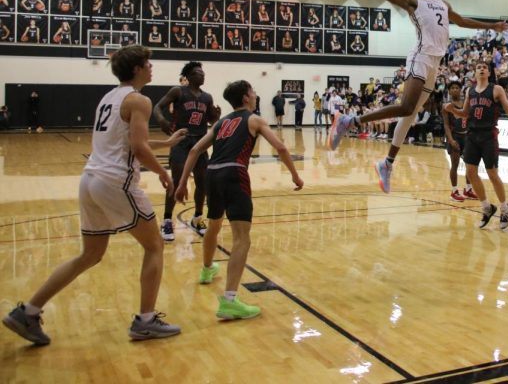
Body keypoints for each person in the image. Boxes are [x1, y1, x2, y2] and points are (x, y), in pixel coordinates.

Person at [3, 46, 186, 345]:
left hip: (90, 180)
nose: (152, 67)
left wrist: (166, 143)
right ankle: (145, 320)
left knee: (90, 254)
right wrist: (164, 173)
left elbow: (129, 141)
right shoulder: (139, 99)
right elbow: (138, 149)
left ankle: (28, 311)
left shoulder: (109, 98)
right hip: (116, 182)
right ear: (138, 68)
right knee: (154, 246)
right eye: (148, 63)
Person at [328, 0, 506, 193]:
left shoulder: (444, 4)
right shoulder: (414, 2)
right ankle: (350, 121)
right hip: (421, 57)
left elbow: (461, 21)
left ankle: (387, 164)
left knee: (409, 116)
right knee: (406, 107)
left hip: (435, 63)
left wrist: (491, 26)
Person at [174, 80, 303, 321]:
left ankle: (206, 270)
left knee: (214, 223)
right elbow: (281, 148)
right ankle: (230, 301)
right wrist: (295, 175)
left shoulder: (222, 122)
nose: (255, 95)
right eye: (253, 91)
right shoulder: (254, 119)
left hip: (212, 174)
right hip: (234, 173)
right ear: (246, 97)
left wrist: (181, 183)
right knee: (242, 239)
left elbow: (194, 151)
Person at [444, 61, 508, 229]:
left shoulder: (496, 89)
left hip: (488, 135)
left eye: (485, 67)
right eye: (479, 67)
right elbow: (464, 114)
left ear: (489, 73)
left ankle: (505, 208)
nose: (482, 69)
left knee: (492, 174)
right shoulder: (469, 91)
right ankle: (486, 207)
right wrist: (452, 110)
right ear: (474, 73)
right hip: (472, 135)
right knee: (470, 172)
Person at [153, 62, 221, 241]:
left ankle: (197, 217)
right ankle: (167, 220)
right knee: (176, 181)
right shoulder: (178, 91)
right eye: (199, 73)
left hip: (200, 142)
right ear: (189, 76)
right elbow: (157, 107)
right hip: (181, 140)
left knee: (202, 182)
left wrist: (216, 116)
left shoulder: (207, 97)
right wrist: (161, 121)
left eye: (203, 73)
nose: (203, 75)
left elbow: (211, 120)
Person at [443, 80, 476, 202]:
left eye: (457, 87)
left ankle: (468, 189)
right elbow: (446, 125)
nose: (455, 90)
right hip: (455, 137)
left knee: (470, 165)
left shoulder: (466, 103)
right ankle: (454, 191)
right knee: (455, 165)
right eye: (452, 88)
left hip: (466, 136)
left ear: (460, 90)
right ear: (449, 91)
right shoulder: (446, 106)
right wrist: (450, 140)